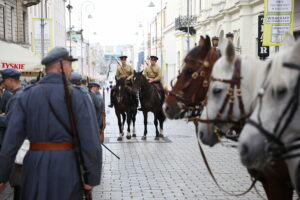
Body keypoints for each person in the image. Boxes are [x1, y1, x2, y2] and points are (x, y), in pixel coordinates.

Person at [0, 47, 102, 199]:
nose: (71, 69)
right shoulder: (78, 96)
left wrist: (3, 176)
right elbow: (90, 142)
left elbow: (11, 142)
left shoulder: (26, 96)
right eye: (70, 64)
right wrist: (91, 178)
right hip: (67, 165)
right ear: (61, 66)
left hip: (34, 164)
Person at [0, 68, 27, 200]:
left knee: (19, 187)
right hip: (22, 149)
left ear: (11, 80)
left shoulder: (17, 97)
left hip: (19, 150)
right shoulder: (20, 94)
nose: (4, 84)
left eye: (5, 81)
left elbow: (11, 122)